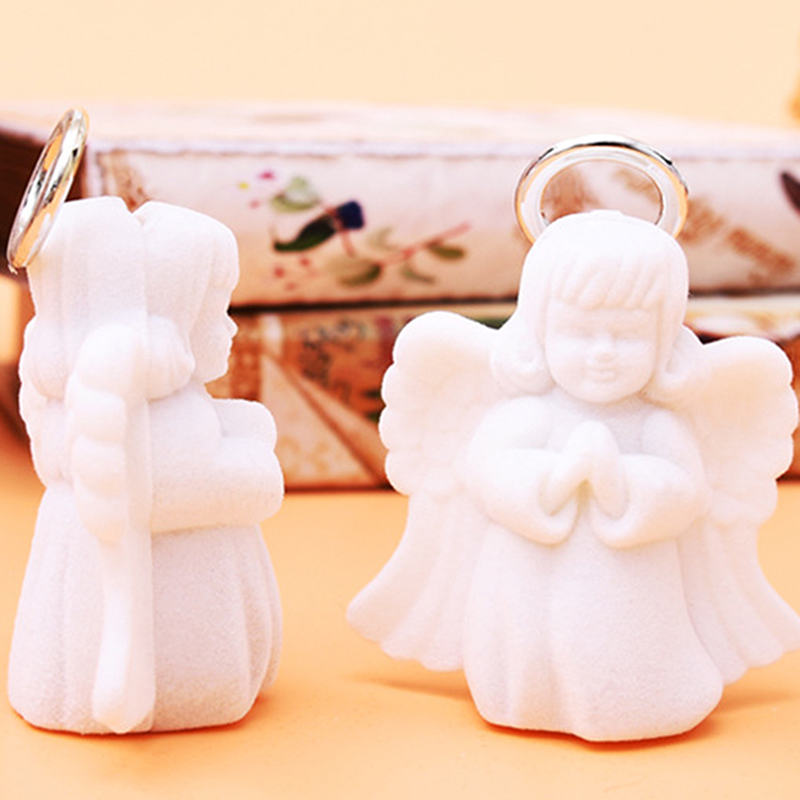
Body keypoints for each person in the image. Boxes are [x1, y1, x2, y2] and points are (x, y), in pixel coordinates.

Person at [348, 210, 800, 741]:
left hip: (629, 584)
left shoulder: (657, 423)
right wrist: (561, 475)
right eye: (579, 333)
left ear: (662, 340)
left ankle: (635, 700)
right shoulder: (525, 413)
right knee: (529, 648)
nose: (602, 354)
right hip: (525, 578)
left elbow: (684, 493)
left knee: (616, 649)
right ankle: (524, 695)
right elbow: (490, 476)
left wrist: (617, 480)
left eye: (628, 336)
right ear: (541, 329)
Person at [9, 197, 283, 734]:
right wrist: (258, 455)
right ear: (173, 311)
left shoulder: (75, 397)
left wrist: (239, 427)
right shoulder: (150, 413)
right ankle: (188, 694)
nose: (231, 329)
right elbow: (200, 485)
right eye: (217, 310)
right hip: (179, 623)